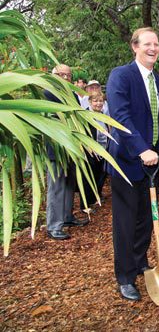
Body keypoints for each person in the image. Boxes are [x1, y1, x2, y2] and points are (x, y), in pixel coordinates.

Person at [106, 27, 159, 302]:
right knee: (126, 223)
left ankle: (139, 261)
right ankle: (125, 277)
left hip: (151, 165)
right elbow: (120, 116)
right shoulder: (121, 75)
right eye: (147, 44)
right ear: (135, 47)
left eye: (156, 44)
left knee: (146, 220)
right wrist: (142, 149)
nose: (153, 48)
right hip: (127, 163)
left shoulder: (158, 80)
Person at [44, 64, 89, 240]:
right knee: (56, 187)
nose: (64, 78)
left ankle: (67, 217)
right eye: (60, 74)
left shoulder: (72, 95)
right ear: (52, 75)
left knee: (70, 183)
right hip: (55, 147)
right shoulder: (46, 93)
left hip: (72, 147)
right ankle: (54, 225)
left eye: (68, 75)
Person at [80, 91, 109, 211]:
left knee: (100, 174)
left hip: (103, 151)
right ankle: (85, 204)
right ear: (90, 102)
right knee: (88, 177)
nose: (98, 103)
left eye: (100, 101)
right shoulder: (86, 116)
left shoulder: (103, 115)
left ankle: (95, 198)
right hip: (90, 151)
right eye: (95, 101)